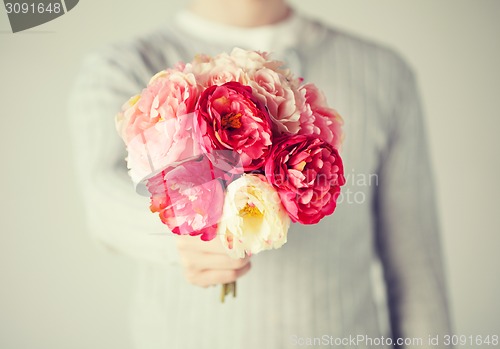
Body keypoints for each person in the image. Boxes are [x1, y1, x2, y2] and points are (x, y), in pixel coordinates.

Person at [69, 0, 453, 348]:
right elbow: (103, 196)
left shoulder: (384, 73)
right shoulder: (122, 66)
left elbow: (418, 275)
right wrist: (183, 232)